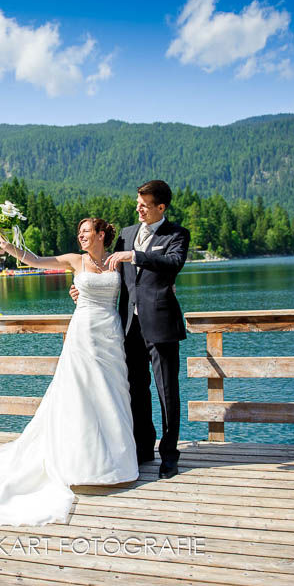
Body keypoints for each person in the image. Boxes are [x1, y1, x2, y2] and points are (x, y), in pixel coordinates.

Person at [0, 218, 138, 527]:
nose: (81, 237)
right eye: (79, 233)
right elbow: (36, 261)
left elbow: (137, 286)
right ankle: (80, 464)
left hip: (110, 334)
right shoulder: (75, 260)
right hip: (83, 333)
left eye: (85, 232)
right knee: (81, 396)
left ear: (100, 235)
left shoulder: (117, 261)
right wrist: (8, 246)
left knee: (112, 394)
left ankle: (115, 464)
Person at [73, 180, 190, 480]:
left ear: (160, 207)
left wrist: (135, 256)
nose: (138, 208)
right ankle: (142, 448)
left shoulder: (177, 235)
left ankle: (169, 455)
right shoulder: (126, 234)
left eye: (144, 204)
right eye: (137, 202)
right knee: (136, 389)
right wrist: (82, 291)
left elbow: (172, 263)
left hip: (161, 324)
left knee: (167, 392)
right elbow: (106, 268)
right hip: (128, 327)